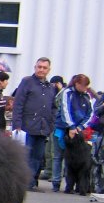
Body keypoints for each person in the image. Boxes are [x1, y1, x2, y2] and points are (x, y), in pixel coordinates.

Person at [12, 57, 56, 191]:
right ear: (35, 67)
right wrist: (17, 124)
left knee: (37, 157)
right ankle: (23, 183)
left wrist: (51, 124)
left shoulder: (50, 87)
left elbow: (53, 107)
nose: (41, 70)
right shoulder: (27, 82)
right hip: (26, 126)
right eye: (39, 67)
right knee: (26, 156)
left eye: (44, 68)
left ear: (49, 70)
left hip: (43, 128)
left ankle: (30, 182)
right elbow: (18, 103)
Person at [51, 74, 92, 193]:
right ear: (77, 84)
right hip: (63, 128)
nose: (85, 88)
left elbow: (90, 113)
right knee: (58, 156)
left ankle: (72, 185)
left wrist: (80, 127)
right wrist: (71, 126)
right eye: (84, 86)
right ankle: (56, 182)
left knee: (75, 159)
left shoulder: (86, 96)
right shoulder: (67, 93)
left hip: (78, 131)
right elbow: (65, 110)